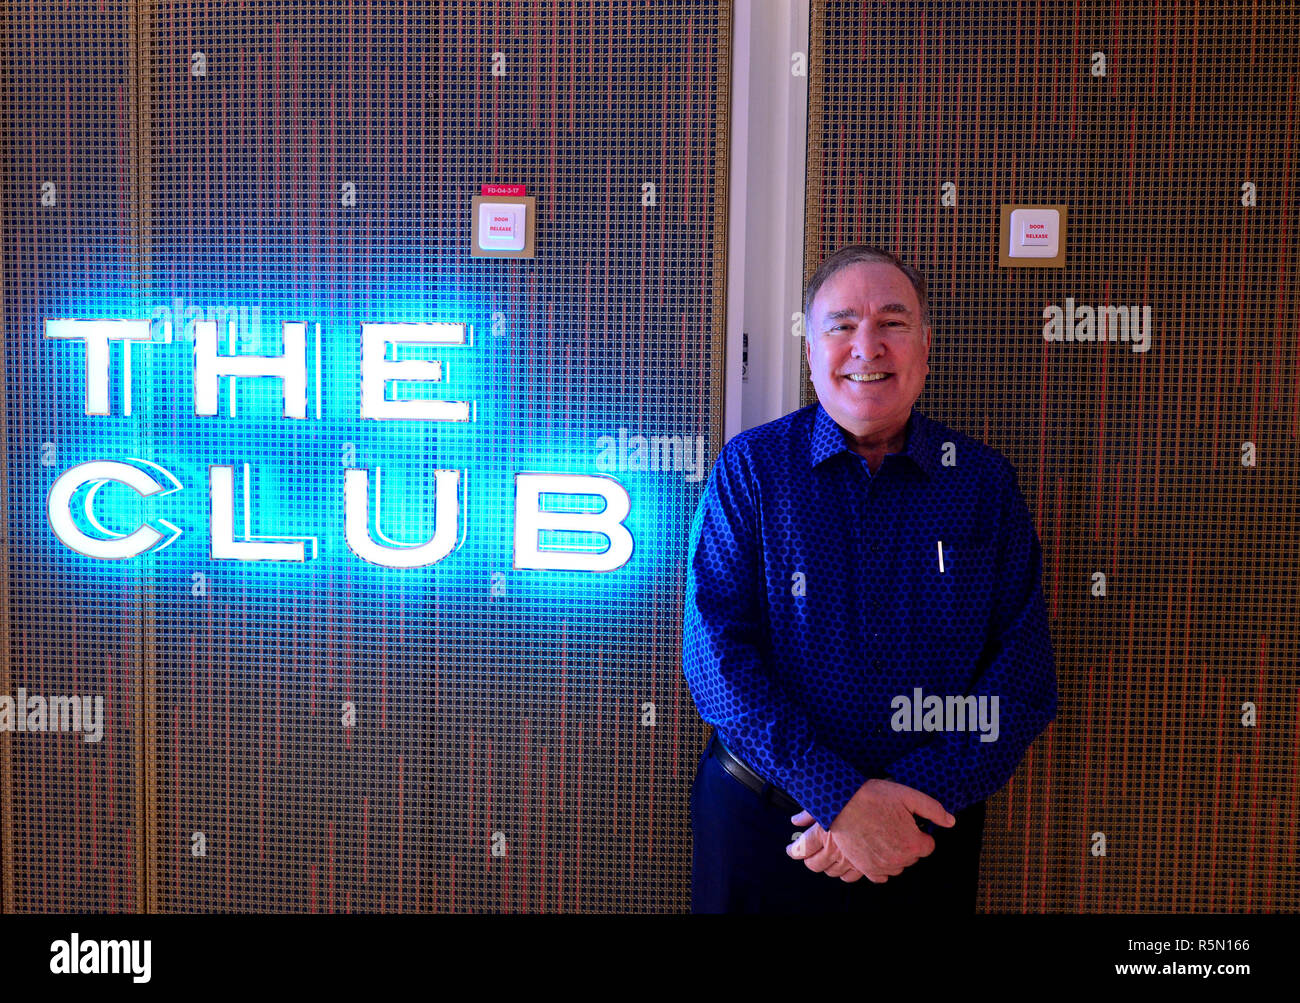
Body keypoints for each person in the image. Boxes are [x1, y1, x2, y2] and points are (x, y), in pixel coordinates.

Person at [683, 245, 1058, 913]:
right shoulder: (752, 469)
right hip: (763, 828)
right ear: (810, 349)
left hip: (921, 835)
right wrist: (841, 799)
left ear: (925, 345)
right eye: (842, 324)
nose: (867, 345)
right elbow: (716, 661)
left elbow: (1021, 682)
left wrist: (898, 809)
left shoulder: (983, 484)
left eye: (892, 322)